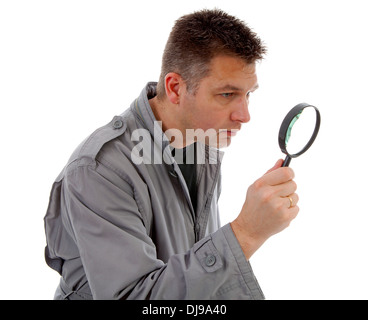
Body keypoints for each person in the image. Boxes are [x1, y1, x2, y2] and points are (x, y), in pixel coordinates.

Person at [44, 8, 299, 300]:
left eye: (248, 94)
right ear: (175, 88)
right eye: (227, 94)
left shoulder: (200, 140)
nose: (244, 115)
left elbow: (191, 269)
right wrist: (246, 233)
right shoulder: (98, 171)